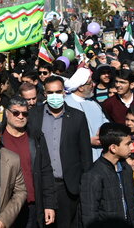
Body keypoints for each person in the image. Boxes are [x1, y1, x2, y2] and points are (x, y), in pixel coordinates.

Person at [27, 76, 92, 228]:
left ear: (64, 92)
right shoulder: (33, 116)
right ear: (44, 94)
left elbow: (85, 155)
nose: (54, 96)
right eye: (50, 92)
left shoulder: (77, 117)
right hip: (41, 185)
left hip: (67, 186)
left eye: (58, 92)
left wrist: (84, 186)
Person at [2, 96, 57, 227]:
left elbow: (46, 171)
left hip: (32, 205)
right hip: (5, 207)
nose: (21, 117)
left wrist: (49, 204)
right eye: (16, 113)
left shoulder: (36, 136)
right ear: (7, 113)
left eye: (25, 113)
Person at [80, 123, 134, 228]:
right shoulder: (93, 175)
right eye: (127, 144)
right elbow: (89, 215)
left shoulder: (126, 169)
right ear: (113, 148)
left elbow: (133, 206)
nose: (131, 147)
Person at [65, 67, 108, 161]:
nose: (94, 85)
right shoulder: (67, 105)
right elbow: (66, 134)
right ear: (80, 87)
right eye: (90, 83)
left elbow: (105, 121)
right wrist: (87, 141)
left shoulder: (94, 103)